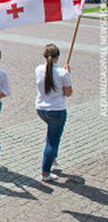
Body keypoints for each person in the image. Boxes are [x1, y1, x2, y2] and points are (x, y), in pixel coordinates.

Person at [35, 44, 72, 182]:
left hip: (41, 109)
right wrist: (68, 74)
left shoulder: (38, 69)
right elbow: (68, 93)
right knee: (52, 140)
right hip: (56, 110)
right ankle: (45, 172)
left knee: (52, 136)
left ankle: (53, 157)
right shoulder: (63, 73)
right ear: (58, 56)